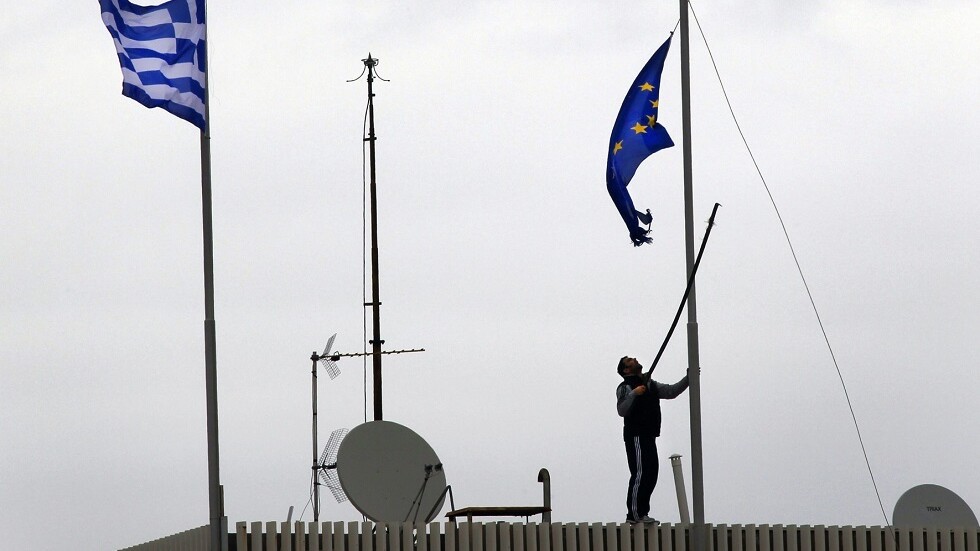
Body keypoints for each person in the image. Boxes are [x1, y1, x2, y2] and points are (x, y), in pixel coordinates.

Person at [616, 356, 689, 525]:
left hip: (649, 435)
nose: (634, 359)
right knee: (640, 473)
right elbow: (622, 409)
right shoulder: (625, 387)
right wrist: (635, 393)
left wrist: (688, 379)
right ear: (626, 370)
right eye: (629, 361)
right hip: (636, 435)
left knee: (651, 473)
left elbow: (671, 392)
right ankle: (634, 515)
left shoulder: (650, 383)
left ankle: (643, 513)